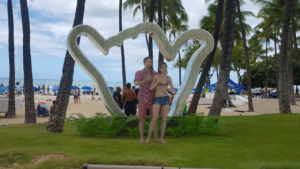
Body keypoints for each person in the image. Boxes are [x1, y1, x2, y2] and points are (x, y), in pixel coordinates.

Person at [145, 61, 175, 144]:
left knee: (164, 120)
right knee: (154, 119)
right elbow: (151, 88)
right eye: (162, 67)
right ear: (159, 69)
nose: (164, 68)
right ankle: (148, 138)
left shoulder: (169, 78)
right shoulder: (156, 77)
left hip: (166, 99)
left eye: (165, 67)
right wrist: (157, 83)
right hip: (157, 98)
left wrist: (168, 88)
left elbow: (173, 90)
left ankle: (161, 138)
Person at [134, 57, 158, 143]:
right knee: (141, 118)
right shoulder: (139, 73)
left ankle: (156, 138)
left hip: (153, 98)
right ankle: (141, 138)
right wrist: (146, 80)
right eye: (148, 62)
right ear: (144, 63)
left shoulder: (155, 74)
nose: (149, 63)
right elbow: (136, 83)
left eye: (151, 62)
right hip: (142, 98)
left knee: (154, 119)